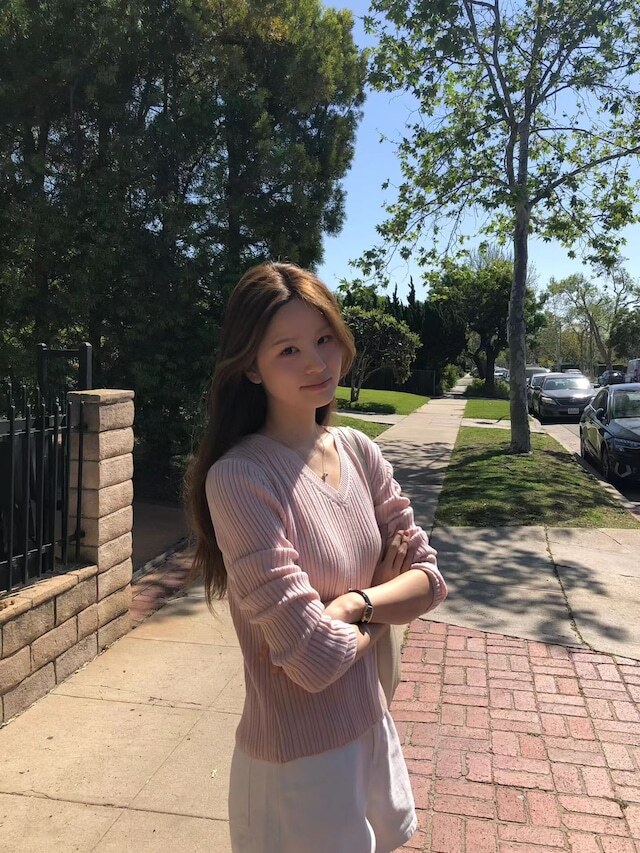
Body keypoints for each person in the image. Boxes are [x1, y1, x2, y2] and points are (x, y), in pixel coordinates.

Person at [186, 262, 447, 853]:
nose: (316, 363)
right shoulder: (241, 479)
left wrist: (354, 605)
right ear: (251, 366)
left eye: (324, 338)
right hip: (298, 770)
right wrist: (384, 602)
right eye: (289, 350)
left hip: (370, 725)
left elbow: (429, 581)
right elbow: (311, 659)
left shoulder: (358, 450)